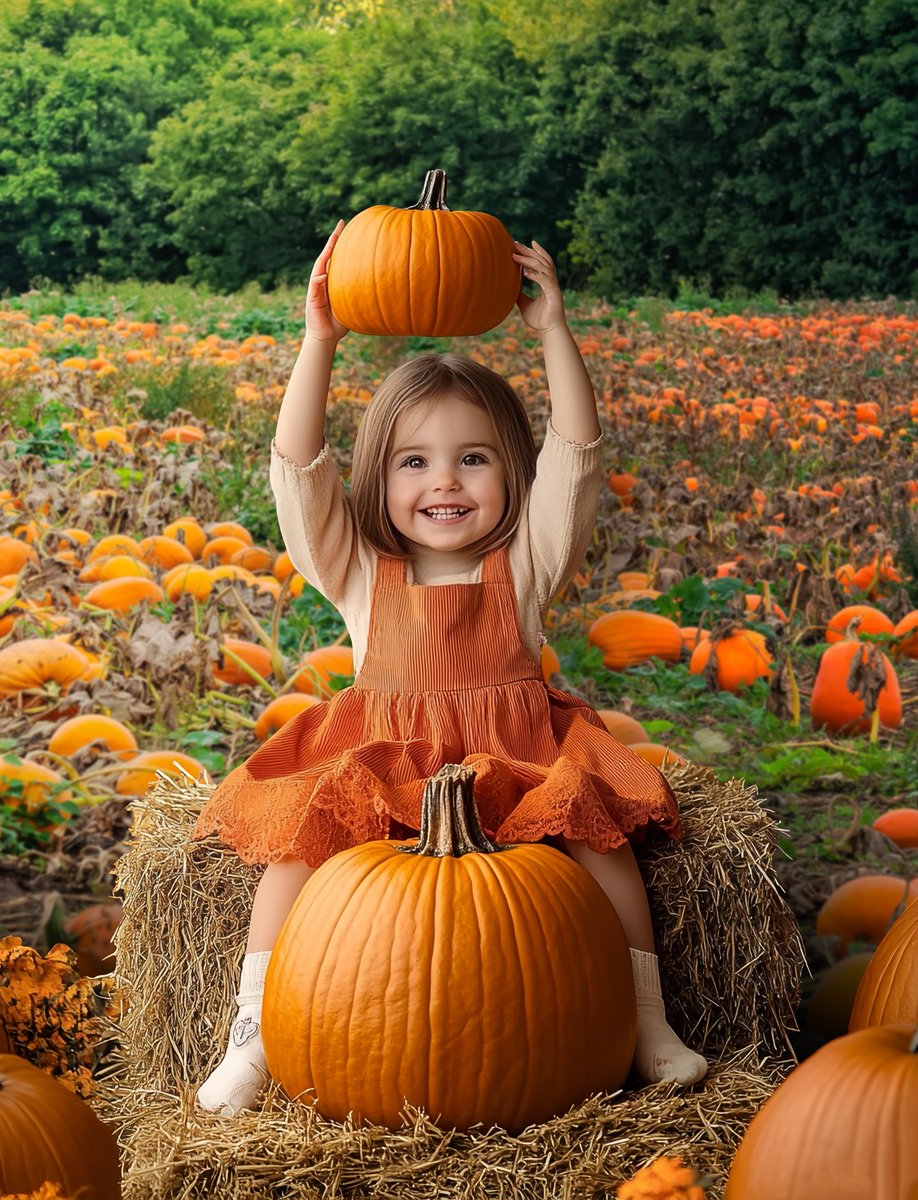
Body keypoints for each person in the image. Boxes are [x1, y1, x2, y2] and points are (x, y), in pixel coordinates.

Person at [192, 225, 708, 1116]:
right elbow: (297, 473)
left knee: (604, 846)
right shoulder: (359, 570)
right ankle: (257, 1036)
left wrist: (553, 332)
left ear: (510, 472)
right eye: (416, 462)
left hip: (512, 758)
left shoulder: (528, 562)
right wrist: (319, 341)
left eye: (475, 459)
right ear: (379, 476)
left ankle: (646, 1023)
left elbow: (577, 463)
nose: (447, 483)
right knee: (295, 857)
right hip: (387, 760)